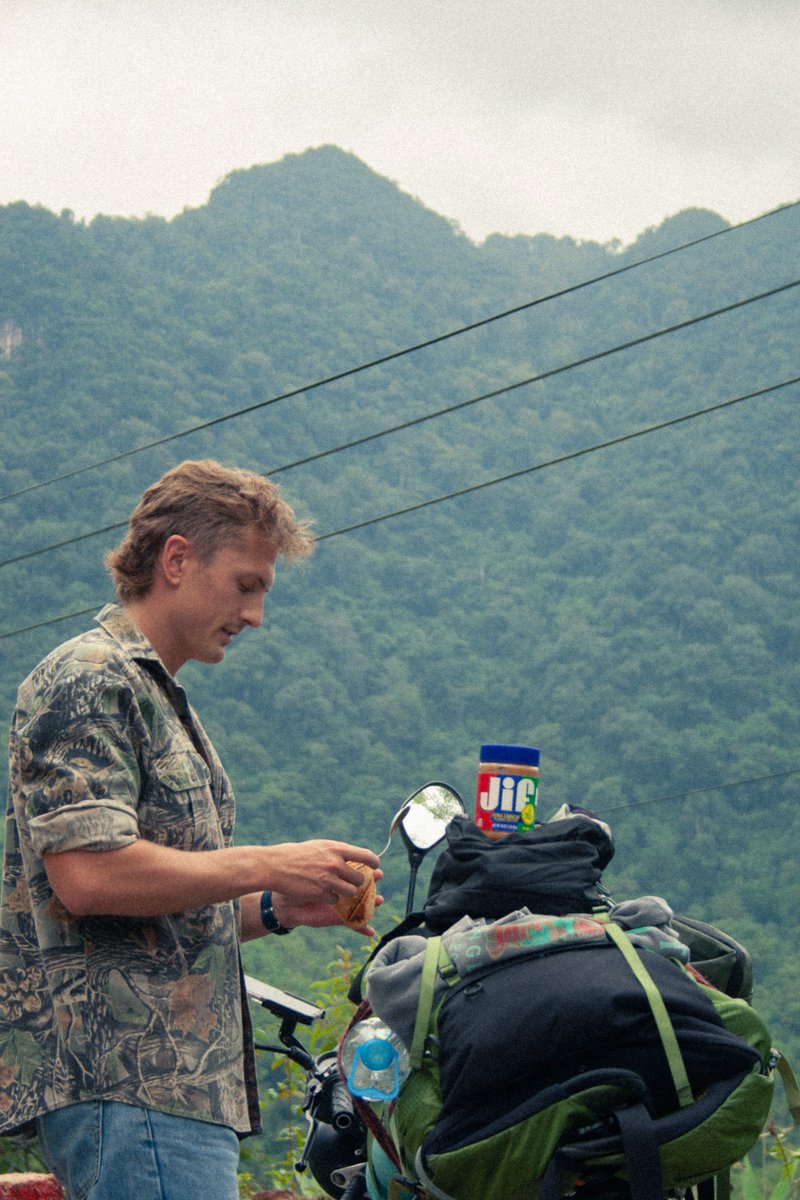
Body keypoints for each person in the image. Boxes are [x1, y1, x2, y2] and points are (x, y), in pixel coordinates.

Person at [0, 459, 382, 1200]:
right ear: (177, 559)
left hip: (169, 1092)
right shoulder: (89, 678)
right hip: (129, 1084)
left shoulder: (155, 696)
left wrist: (273, 908)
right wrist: (268, 862)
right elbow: (89, 876)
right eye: (247, 585)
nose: (255, 615)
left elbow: (151, 904)